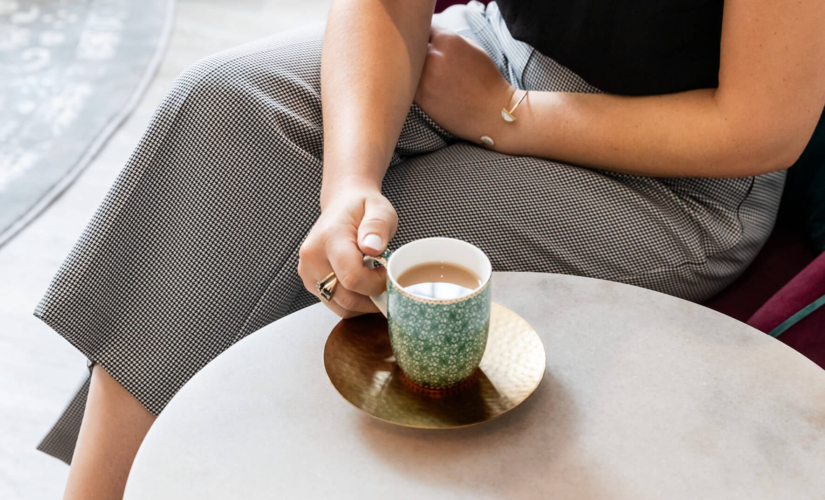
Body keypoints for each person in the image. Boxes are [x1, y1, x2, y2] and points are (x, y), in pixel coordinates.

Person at [34, 0, 824, 498]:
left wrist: (507, 113)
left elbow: (760, 124)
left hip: (672, 174)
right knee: (225, 110)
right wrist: (348, 182)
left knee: (400, 250)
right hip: (486, 48)